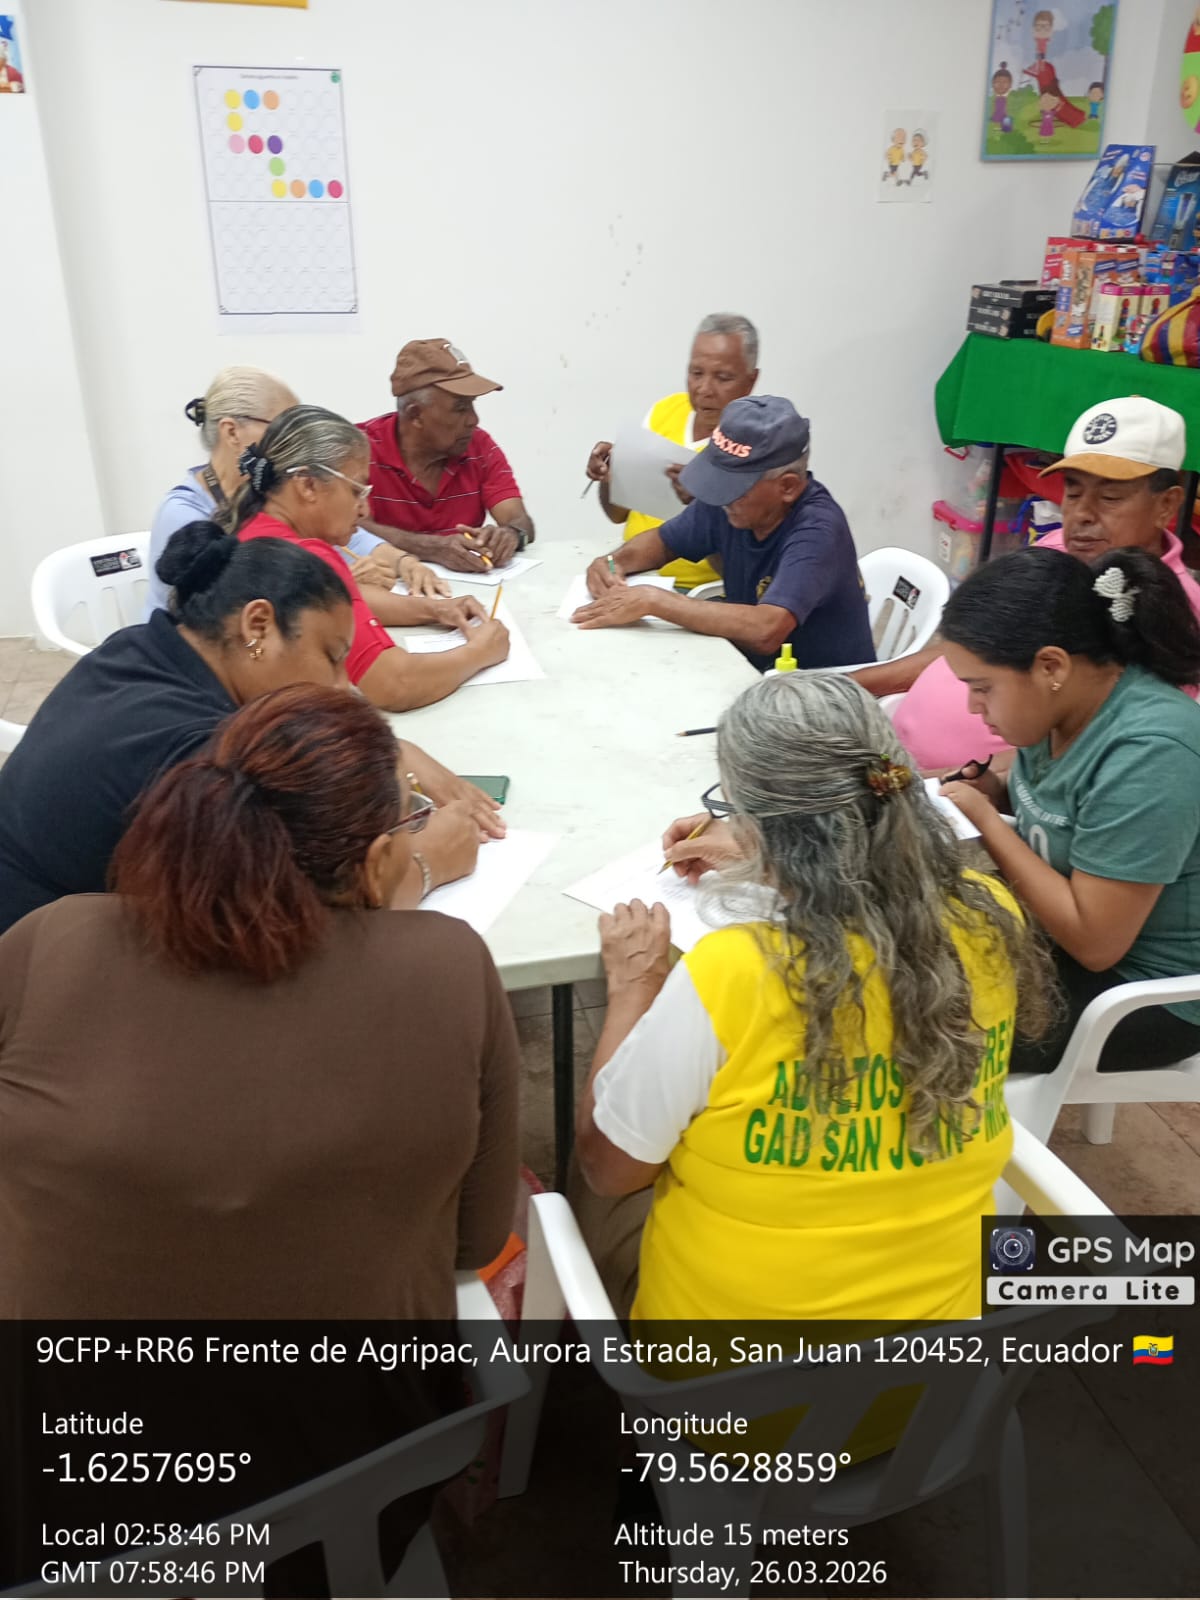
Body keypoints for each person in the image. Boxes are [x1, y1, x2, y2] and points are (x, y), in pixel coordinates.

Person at [0, 686, 519, 1577]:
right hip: (349, 1500)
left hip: (64, 1506)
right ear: (379, 859)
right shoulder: (449, 967)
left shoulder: (54, 941)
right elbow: (475, 1242)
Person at [572, 673, 1049, 1355]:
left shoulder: (736, 971)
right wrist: (768, 846)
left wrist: (634, 983)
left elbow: (610, 1169)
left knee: (587, 1172)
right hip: (934, 1377)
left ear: (765, 824)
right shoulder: (990, 915)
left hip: (734, 1393)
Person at [0, 525, 486, 936]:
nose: (344, 689)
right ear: (258, 626)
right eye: (331, 657)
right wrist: (425, 862)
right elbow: (299, 932)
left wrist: (393, 748)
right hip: (44, 968)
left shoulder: (142, 648)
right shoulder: (198, 759)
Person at [938, 546, 1200, 1076]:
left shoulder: (1152, 751)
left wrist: (986, 822)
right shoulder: (1058, 712)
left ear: (1051, 666)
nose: (973, 706)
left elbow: (1095, 942)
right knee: (881, 957)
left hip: (1143, 995)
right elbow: (1061, 802)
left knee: (899, 1018)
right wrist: (995, 789)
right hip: (1057, 945)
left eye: (982, 688)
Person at [858, 397, 1200, 771]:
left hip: (961, 789)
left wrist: (934, 782)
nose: (1081, 514)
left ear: (1167, 505)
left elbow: (1104, 746)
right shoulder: (1056, 549)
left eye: (1110, 497)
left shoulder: (1174, 611)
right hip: (896, 746)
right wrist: (847, 685)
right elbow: (965, 646)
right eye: (1073, 492)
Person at [228, 404, 512, 710]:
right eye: (356, 492)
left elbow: (342, 601)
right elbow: (395, 684)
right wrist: (480, 652)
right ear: (308, 485)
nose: (364, 510)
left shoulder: (250, 531)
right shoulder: (308, 560)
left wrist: (434, 609)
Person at [573, 396, 875, 674]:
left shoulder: (818, 531)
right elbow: (663, 543)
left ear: (788, 487)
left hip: (819, 693)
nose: (721, 495)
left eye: (735, 487)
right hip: (750, 669)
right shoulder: (729, 503)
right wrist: (612, 563)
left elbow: (766, 631)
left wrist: (654, 600)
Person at [147, 368, 445, 616]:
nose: (295, 437)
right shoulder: (184, 513)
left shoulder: (265, 493)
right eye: (282, 425)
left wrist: (405, 563)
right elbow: (234, 610)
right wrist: (339, 585)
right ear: (232, 432)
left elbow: (353, 535)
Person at [584, 313, 759, 589]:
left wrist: (704, 505)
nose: (704, 389)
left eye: (723, 377)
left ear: (751, 381)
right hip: (632, 572)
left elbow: (743, 571)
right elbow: (617, 515)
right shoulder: (666, 411)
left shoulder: (755, 446)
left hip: (696, 592)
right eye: (696, 373)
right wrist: (611, 476)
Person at [357, 339, 535, 574]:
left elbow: (519, 519)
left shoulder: (479, 445)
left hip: (471, 592)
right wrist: (432, 548)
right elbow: (351, 531)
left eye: (472, 405)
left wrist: (510, 534)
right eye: (460, 408)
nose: (474, 419)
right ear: (416, 415)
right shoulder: (358, 450)